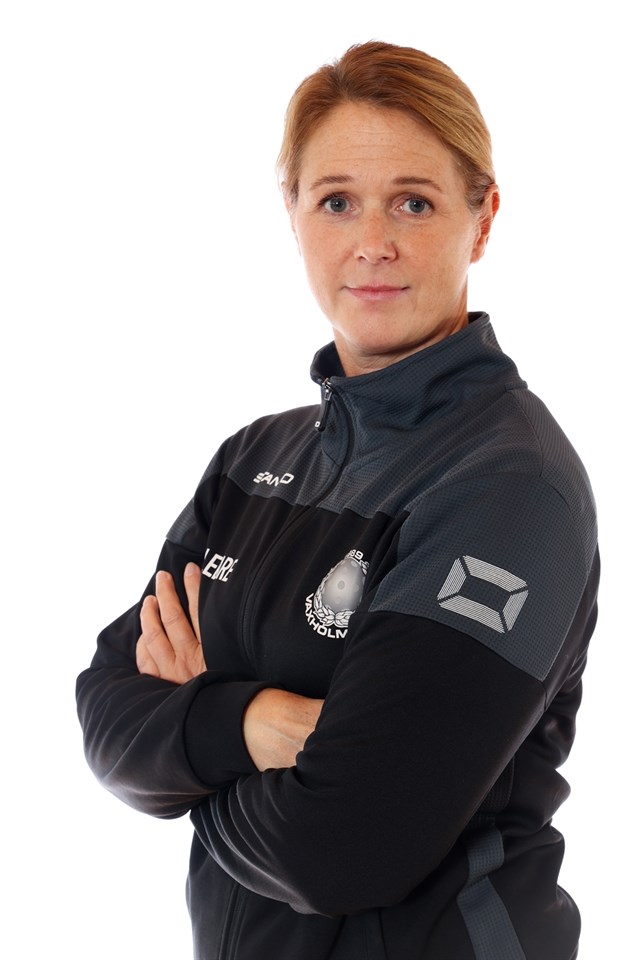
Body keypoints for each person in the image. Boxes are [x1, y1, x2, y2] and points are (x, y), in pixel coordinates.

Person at [76, 41, 598, 960]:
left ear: (482, 221)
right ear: (293, 214)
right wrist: (250, 726)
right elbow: (106, 716)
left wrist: (191, 757)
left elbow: (343, 849)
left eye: (414, 202)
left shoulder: (511, 489)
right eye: (336, 201)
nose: (373, 243)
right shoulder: (253, 460)